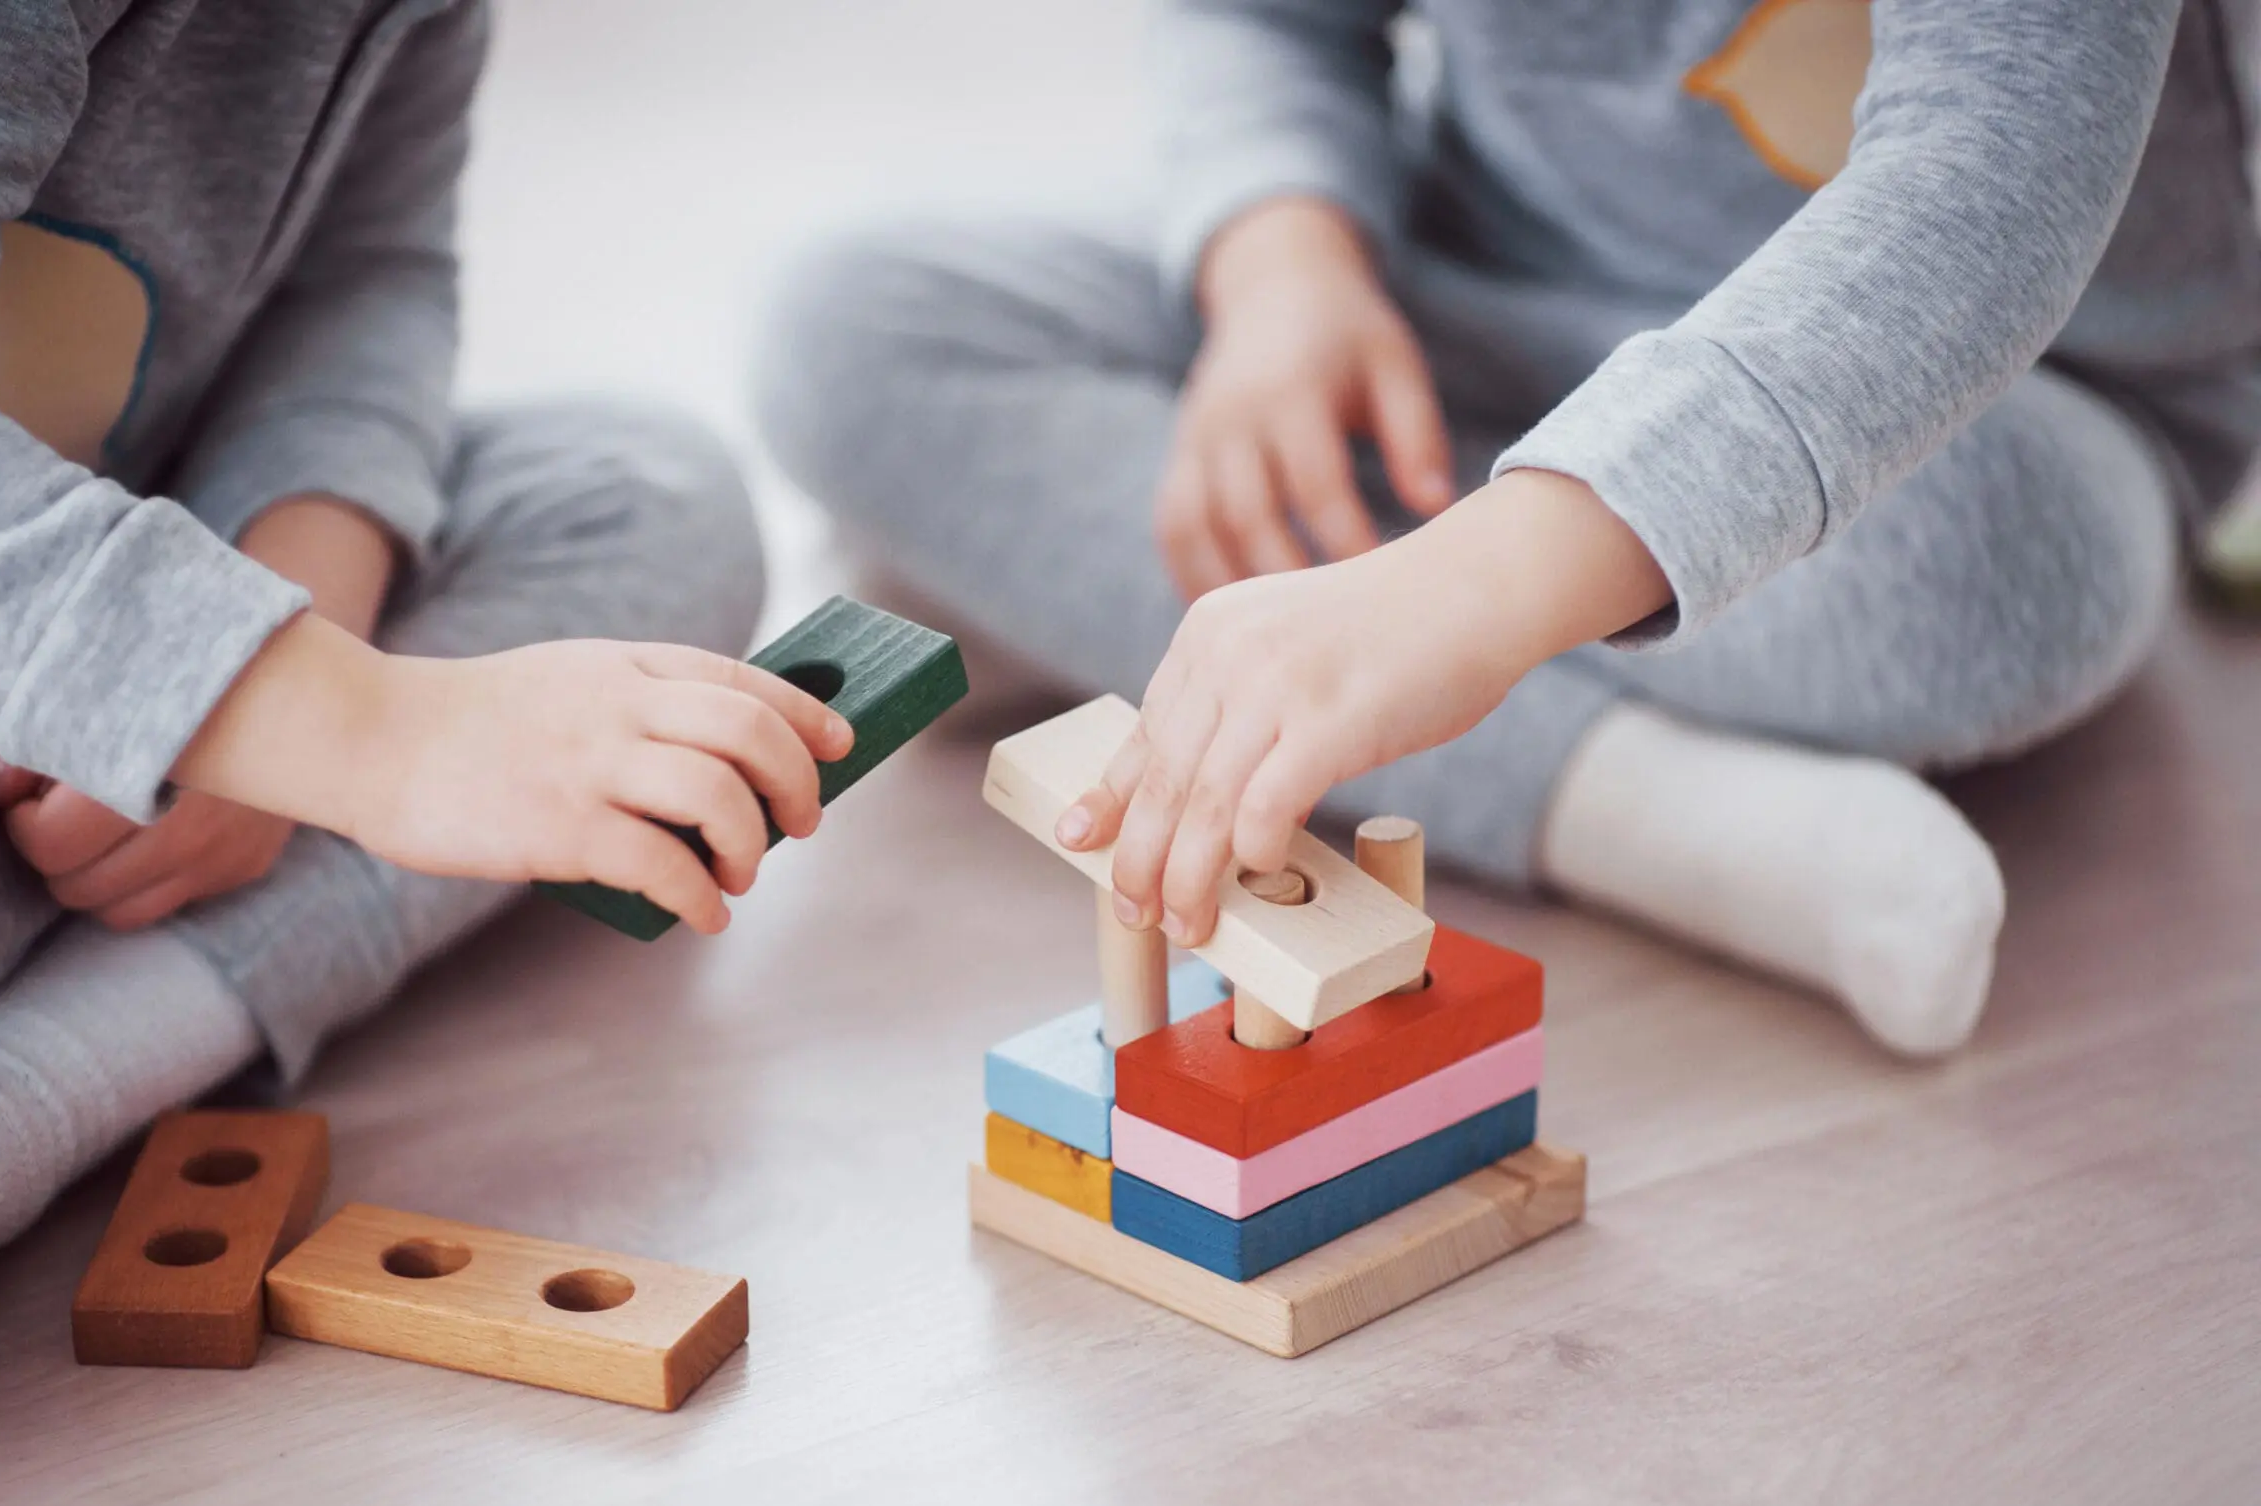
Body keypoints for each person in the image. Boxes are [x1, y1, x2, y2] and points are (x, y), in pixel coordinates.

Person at [0, 0, 848, 1446]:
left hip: (87, 595)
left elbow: (364, 279)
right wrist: (357, 734)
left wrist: (287, 623)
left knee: (648, 494)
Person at [759, 0, 2258, 1055]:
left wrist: (1475, 590)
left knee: (1981, 588)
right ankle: (1621, 806)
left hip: (1984, 400)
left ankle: (1129, 597)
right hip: (1461, 287)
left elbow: (1984, 187)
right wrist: (1283, 263)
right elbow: (1269, 23)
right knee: (853, 322)